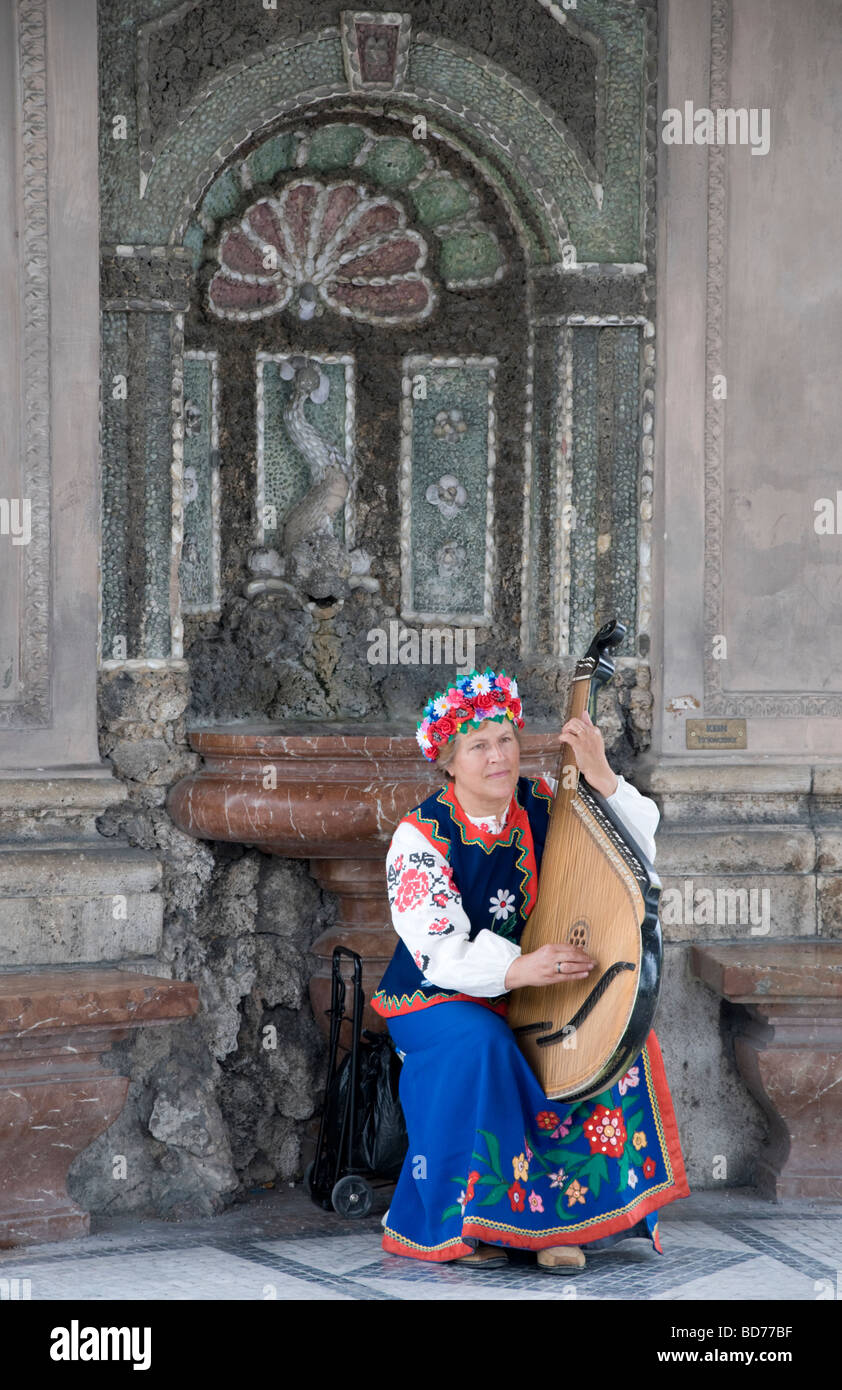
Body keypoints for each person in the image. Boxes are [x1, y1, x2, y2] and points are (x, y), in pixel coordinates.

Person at [371, 667, 689, 1271]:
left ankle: (569, 1222)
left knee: (621, 1037)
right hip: (437, 999)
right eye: (478, 746)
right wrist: (520, 968)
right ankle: (479, 1223)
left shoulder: (547, 803)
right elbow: (436, 949)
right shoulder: (420, 838)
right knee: (484, 1044)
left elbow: (637, 848)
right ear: (448, 762)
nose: (497, 756)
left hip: (536, 985)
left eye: (505, 740)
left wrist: (598, 771)